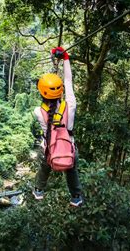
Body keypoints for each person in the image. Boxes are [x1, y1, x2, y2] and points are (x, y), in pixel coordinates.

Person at [32, 46, 83, 207]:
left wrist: (55, 63)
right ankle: (76, 196)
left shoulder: (38, 112)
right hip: (68, 150)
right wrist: (65, 58)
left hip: (51, 152)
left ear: (41, 93)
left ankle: (39, 190)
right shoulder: (71, 106)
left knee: (45, 162)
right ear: (60, 91)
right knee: (71, 167)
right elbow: (68, 81)